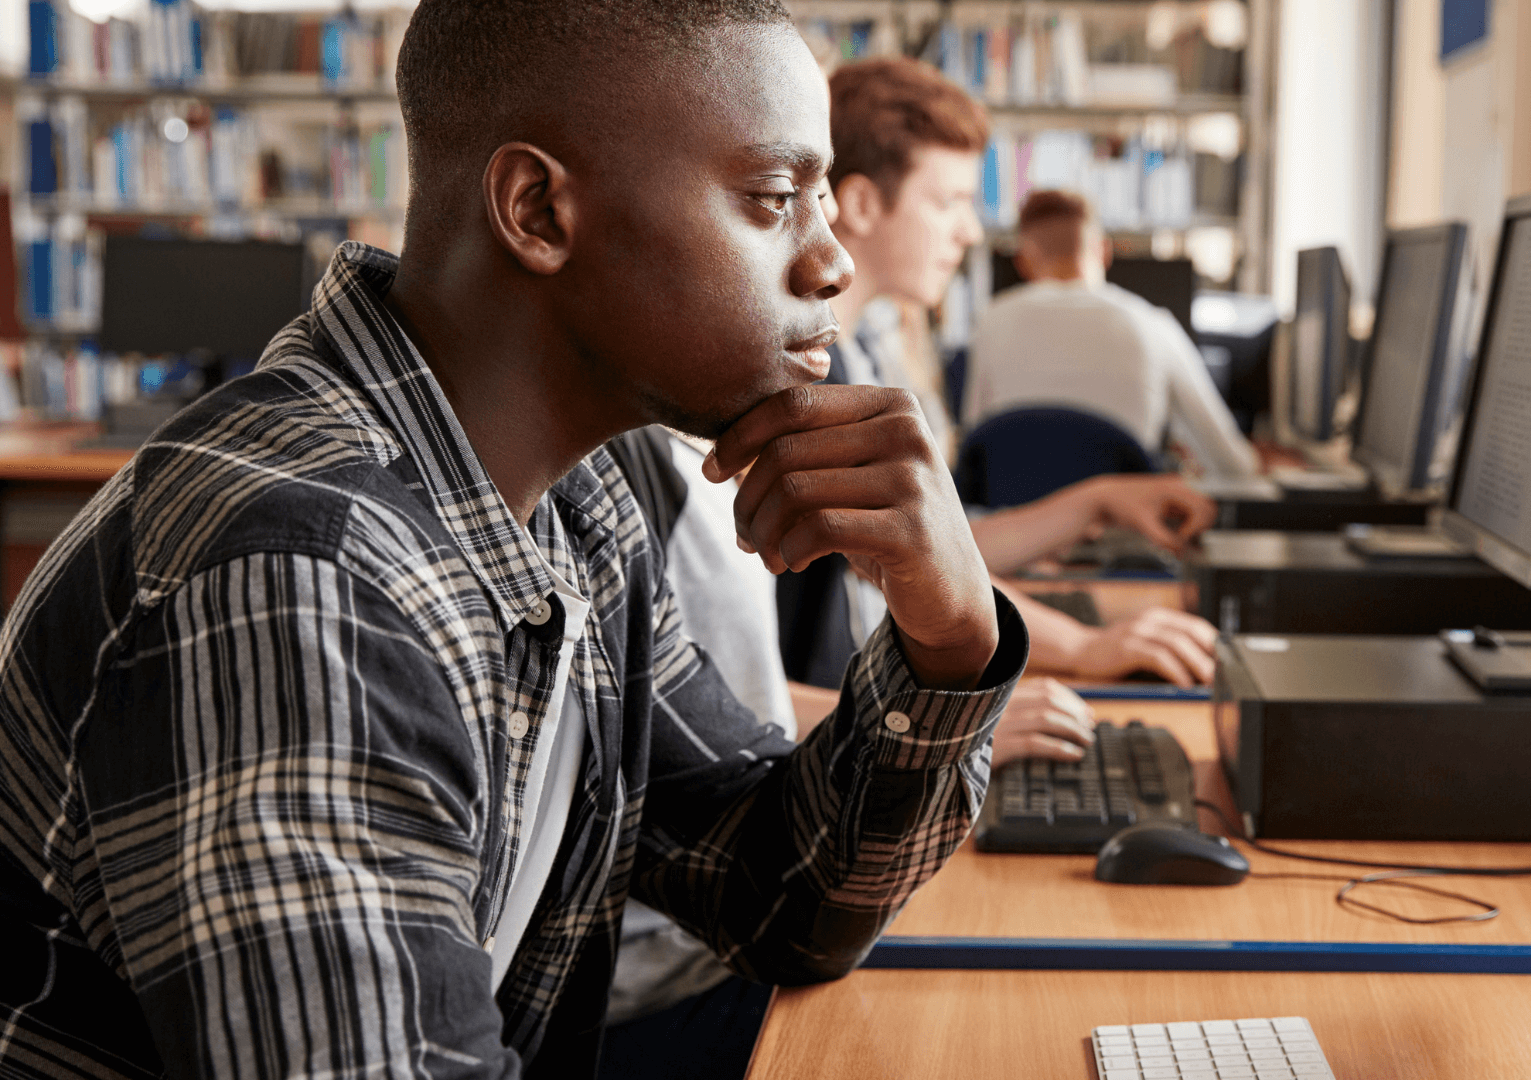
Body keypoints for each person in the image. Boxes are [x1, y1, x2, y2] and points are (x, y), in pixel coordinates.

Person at [0, 3, 1026, 1076]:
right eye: (772, 201)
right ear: (537, 210)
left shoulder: (577, 515)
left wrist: (947, 631)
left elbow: (779, 897)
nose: (831, 266)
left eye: (822, 203)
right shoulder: (302, 573)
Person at [779, 55, 1221, 700]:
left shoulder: (855, 351)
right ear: (862, 205)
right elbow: (921, 566)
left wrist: (1096, 501)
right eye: (948, 201)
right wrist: (1083, 649)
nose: (969, 230)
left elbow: (936, 551)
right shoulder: (812, 377)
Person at [963, 189, 1263, 480]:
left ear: (1022, 261)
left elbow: (972, 439)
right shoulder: (1152, 324)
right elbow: (1232, 463)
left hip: (1014, 527)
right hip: (1127, 526)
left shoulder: (990, 322)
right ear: (1104, 251)